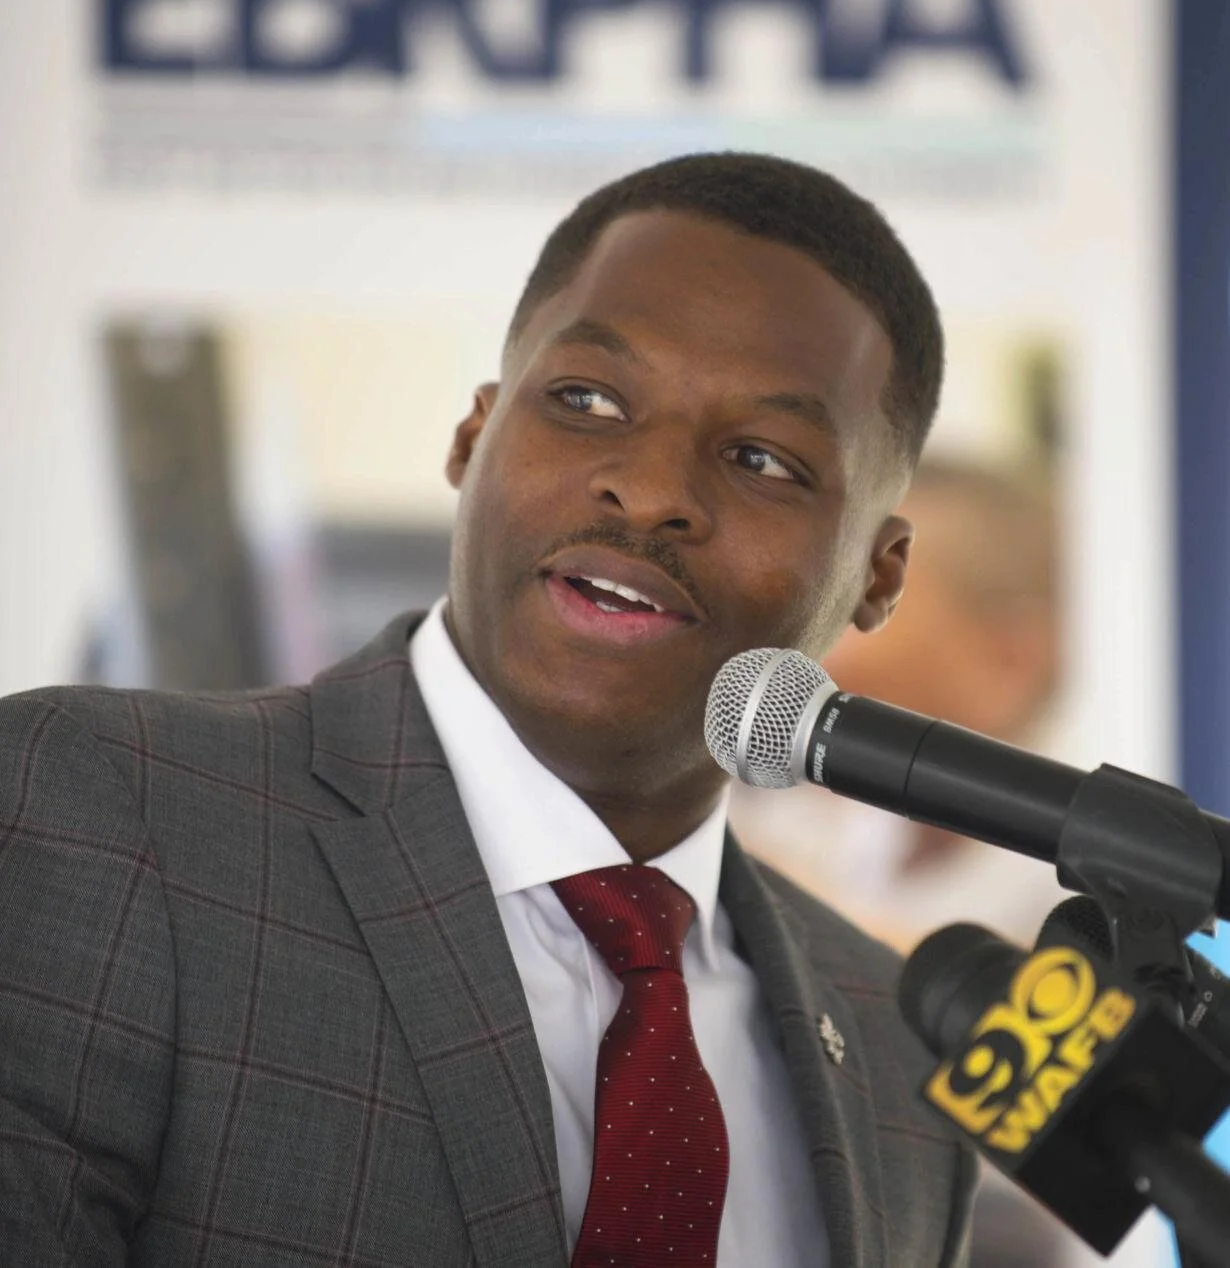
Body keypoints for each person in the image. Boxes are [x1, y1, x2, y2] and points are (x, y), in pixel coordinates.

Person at [0, 153, 975, 1266]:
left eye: (763, 459)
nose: (651, 490)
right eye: (588, 400)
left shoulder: (901, 1052)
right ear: (473, 436)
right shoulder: (96, 817)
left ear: (878, 575)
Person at [730, 456, 1064, 953]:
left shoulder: (1070, 883)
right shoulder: (842, 830)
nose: (804, 650)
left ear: (1009, 660)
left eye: (852, 606)